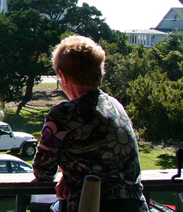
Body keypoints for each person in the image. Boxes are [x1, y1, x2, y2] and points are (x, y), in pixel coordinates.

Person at [33, 36, 148, 212]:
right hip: (135, 206)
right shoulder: (115, 106)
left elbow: (43, 172)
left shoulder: (64, 114)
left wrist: (69, 173)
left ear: (63, 75)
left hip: (92, 205)